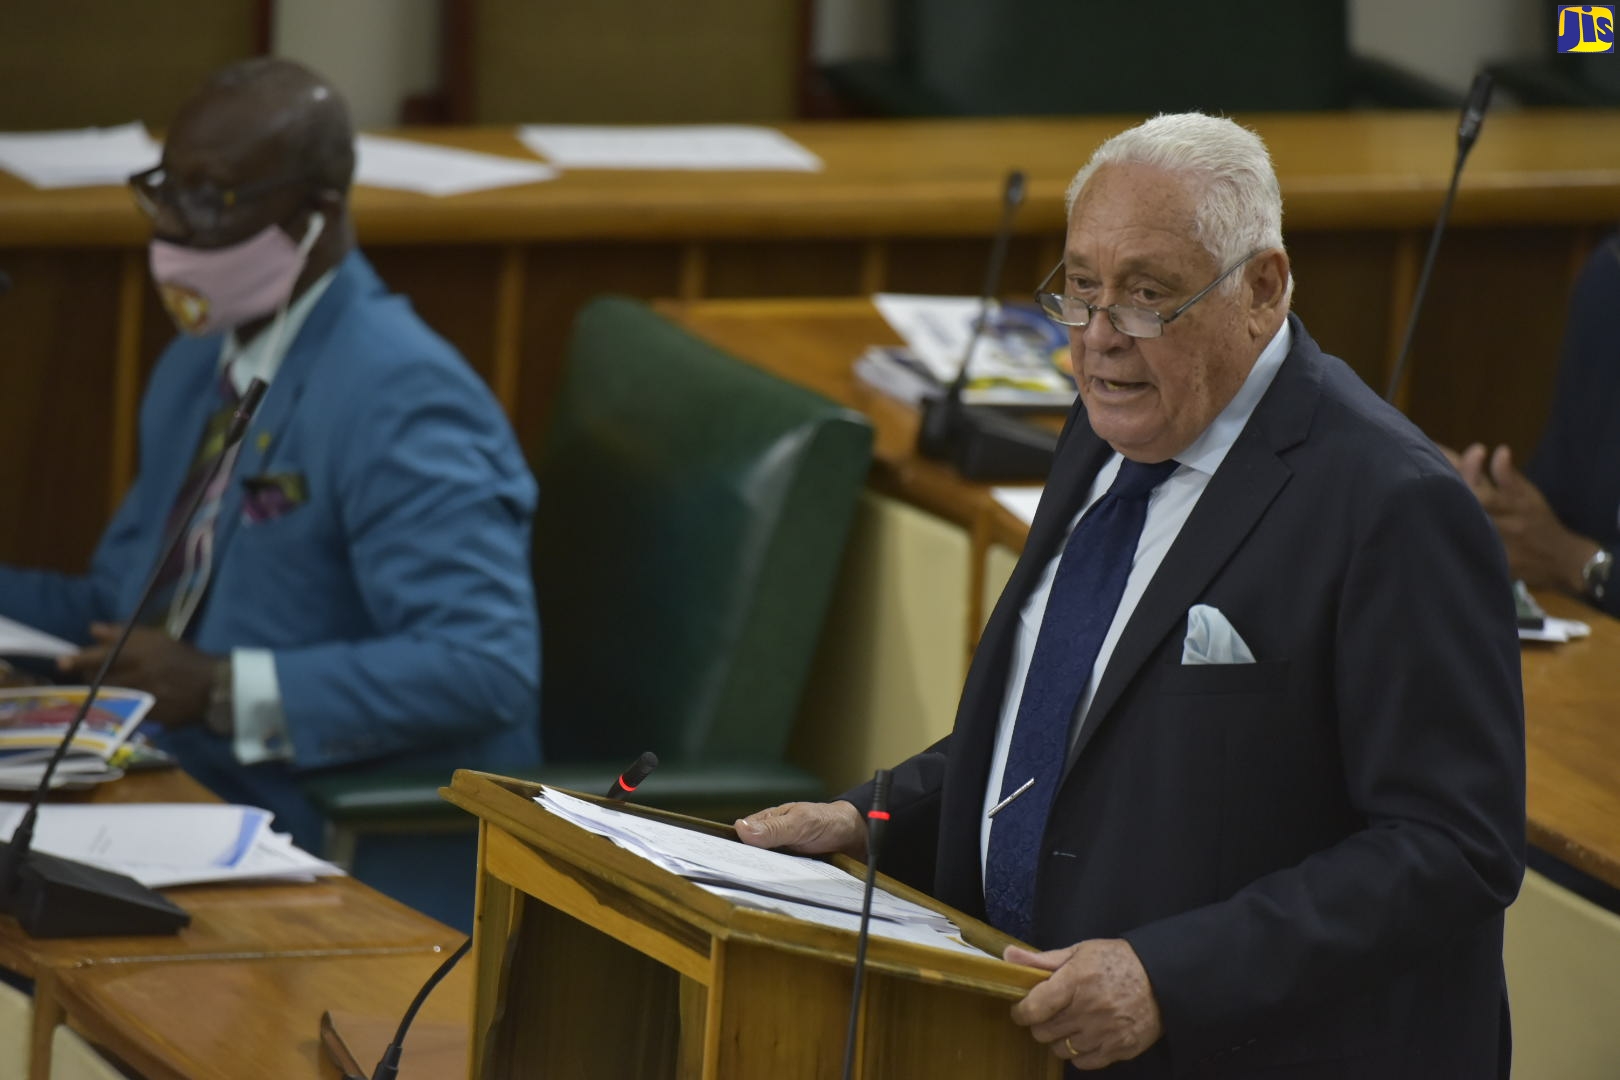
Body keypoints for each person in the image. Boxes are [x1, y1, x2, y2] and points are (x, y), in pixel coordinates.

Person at [738, 114, 1524, 1076]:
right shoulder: (1110, 427)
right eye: (1078, 289)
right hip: (1022, 1034)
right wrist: (876, 822)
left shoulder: (1393, 505)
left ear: (1263, 289)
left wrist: (1171, 976)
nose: (1100, 338)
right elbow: (1073, 732)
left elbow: (1452, 847)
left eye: (1148, 296)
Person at [0, 60, 540, 876]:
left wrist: (222, 687)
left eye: (209, 198)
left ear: (316, 216)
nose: (170, 230)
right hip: (181, 778)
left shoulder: (400, 391)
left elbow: (483, 666)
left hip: (326, 826)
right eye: (163, 190)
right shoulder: (198, 366)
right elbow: (122, 609)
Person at [1446, 234, 1620, 617]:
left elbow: (1561, 550)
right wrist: (1489, 510)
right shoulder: (1610, 279)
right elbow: (1557, 510)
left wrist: (1580, 562)